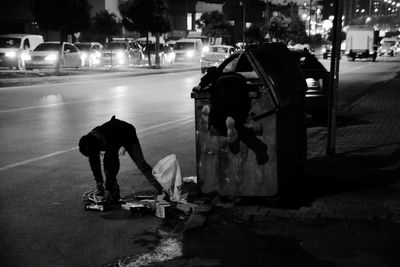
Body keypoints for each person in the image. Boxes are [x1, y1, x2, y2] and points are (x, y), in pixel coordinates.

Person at [79, 115, 164, 202]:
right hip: (114, 135)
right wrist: (99, 182)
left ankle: (162, 189)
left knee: (141, 164)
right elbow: (94, 163)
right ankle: (114, 196)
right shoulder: (89, 141)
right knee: (107, 169)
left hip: (127, 133)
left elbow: (112, 166)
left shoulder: (110, 140)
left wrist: (107, 189)